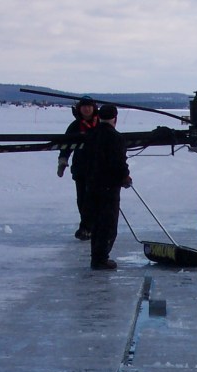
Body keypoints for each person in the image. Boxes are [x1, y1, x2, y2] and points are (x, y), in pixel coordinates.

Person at [85, 104, 131, 270]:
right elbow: (118, 162)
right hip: (109, 187)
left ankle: (96, 257)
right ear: (115, 118)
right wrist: (125, 177)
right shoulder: (116, 137)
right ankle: (100, 259)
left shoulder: (91, 135)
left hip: (91, 185)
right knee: (108, 224)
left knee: (97, 223)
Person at [57, 96, 99, 241]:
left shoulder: (101, 124)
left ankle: (89, 227)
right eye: (84, 106)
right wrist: (62, 161)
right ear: (79, 109)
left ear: (94, 108)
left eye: (89, 106)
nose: (87, 109)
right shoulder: (75, 126)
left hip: (99, 169)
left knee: (95, 199)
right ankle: (87, 227)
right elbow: (65, 145)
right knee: (82, 199)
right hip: (81, 168)